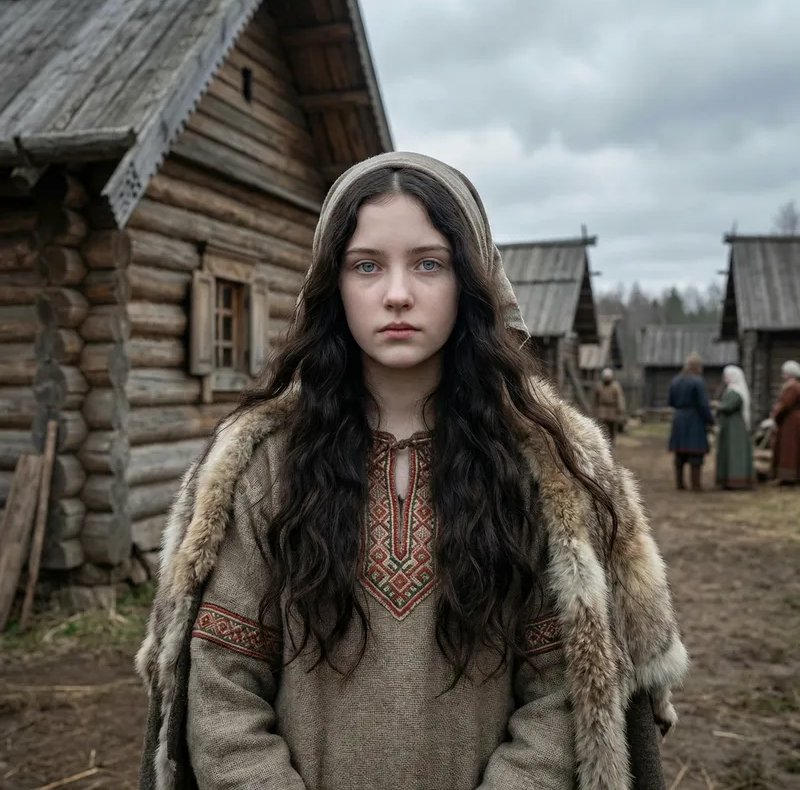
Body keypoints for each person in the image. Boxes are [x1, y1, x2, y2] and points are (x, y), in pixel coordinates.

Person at [136, 153, 687, 790]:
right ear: (333, 285)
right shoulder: (264, 465)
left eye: (429, 263)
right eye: (366, 265)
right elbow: (223, 686)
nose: (397, 293)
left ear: (470, 283)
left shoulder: (541, 468)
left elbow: (566, 689)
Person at [668, 352, 714, 491]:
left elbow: (671, 401)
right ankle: (696, 484)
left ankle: (680, 483)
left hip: (679, 418)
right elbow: (703, 404)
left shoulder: (675, 380)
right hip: (695, 419)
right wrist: (709, 419)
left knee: (680, 454)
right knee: (696, 453)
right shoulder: (698, 381)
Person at [714, 365, 754, 490]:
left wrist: (718, 406)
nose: (724, 378)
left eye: (727, 375)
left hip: (736, 427)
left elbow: (730, 406)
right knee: (727, 450)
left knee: (735, 452)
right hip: (729, 425)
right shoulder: (730, 390)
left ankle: (737, 480)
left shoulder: (737, 392)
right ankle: (726, 479)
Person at [771, 360, 800, 484]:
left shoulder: (792, 387)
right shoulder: (793, 386)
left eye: (785, 373)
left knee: (789, 448)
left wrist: (776, 412)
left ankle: (788, 476)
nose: (783, 375)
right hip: (791, 419)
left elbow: (786, 404)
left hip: (790, 421)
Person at [593, 367, 627, 446]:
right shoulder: (599, 386)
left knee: (612, 427)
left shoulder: (615, 386)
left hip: (612, 409)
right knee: (602, 426)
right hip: (602, 409)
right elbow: (595, 399)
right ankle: (603, 442)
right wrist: (595, 409)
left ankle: (612, 441)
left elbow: (619, 398)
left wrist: (621, 409)